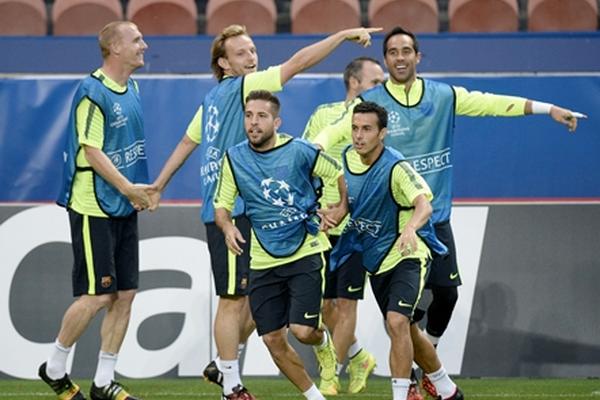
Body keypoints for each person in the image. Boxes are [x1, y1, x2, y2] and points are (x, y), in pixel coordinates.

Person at [312, 25, 585, 397]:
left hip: (433, 219)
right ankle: (417, 381)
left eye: (406, 50)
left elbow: (491, 103)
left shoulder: (443, 96)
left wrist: (547, 109)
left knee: (447, 296)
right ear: (386, 59)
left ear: (417, 56)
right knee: (400, 316)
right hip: (391, 232)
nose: (400, 57)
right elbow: (330, 135)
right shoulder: (370, 106)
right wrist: (304, 154)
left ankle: (430, 358)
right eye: (392, 52)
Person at [147, 24, 379, 399]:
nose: (252, 58)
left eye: (253, 50)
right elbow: (299, 62)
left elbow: (188, 142)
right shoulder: (242, 90)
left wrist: (159, 184)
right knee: (232, 299)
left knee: (255, 298)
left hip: (247, 210)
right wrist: (340, 37)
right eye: (242, 53)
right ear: (224, 64)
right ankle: (230, 381)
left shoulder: (210, 102)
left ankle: (228, 364)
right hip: (235, 209)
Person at [40, 21, 151, 400]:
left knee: (126, 294)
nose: (144, 45)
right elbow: (92, 150)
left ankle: (104, 381)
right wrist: (127, 188)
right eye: (136, 40)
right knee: (98, 295)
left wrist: (138, 193)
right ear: (115, 48)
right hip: (94, 206)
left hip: (123, 205)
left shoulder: (132, 88)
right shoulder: (92, 91)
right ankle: (54, 365)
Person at [214, 90, 347, 400]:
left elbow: (335, 171)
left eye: (261, 116)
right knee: (273, 338)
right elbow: (221, 205)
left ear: (277, 121)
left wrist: (339, 208)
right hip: (263, 259)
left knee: (303, 332)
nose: (253, 123)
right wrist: (227, 225)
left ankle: (323, 345)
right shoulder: (234, 158)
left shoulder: (300, 150)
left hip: (305, 250)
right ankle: (315, 397)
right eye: (249, 116)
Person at [326, 101, 463, 400]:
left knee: (397, 321)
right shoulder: (348, 158)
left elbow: (425, 205)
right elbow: (348, 203)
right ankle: (446, 388)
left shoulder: (396, 166)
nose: (359, 135)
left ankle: (402, 394)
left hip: (407, 254)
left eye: (367, 129)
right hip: (375, 259)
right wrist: (335, 214)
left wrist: (411, 227)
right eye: (355, 128)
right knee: (409, 327)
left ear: (383, 133)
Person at [302, 56, 384, 395]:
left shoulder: (376, 123)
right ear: (354, 83)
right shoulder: (324, 114)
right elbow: (305, 158)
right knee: (323, 307)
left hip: (354, 225)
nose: (383, 87)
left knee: (345, 304)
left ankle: (331, 373)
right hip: (322, 222)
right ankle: (359, 356)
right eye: (375, 81)